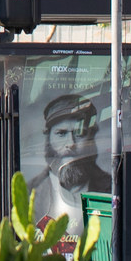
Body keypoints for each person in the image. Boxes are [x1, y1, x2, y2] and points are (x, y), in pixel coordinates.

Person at [36, 88, 117, 227]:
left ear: (91, 136)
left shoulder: (113, 190)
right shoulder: (31, 193)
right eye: (61, 134)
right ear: (48, 138)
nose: (71, 144)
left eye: (79, 134)